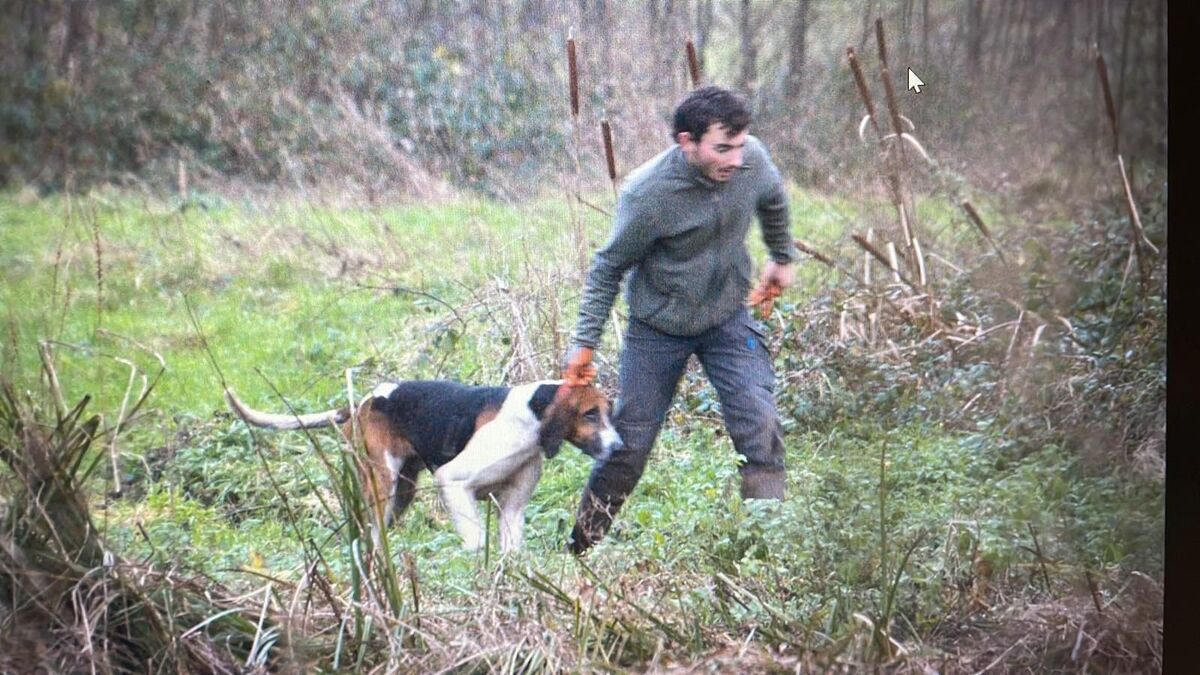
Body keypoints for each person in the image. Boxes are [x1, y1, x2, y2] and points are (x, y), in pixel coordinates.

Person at [562, 85, 798, 554]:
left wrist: (781, 255)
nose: (736, 158)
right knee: (628, 446)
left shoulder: (752, 161)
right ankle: (580, 550)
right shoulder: (648, 194)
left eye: (740, 144)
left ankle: (767, 554)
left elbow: (772, 198)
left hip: (727, 319)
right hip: (658, 331)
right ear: (686, 142)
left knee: (760, 423)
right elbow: (608, 267)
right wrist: (584, 343)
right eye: (722, 148)